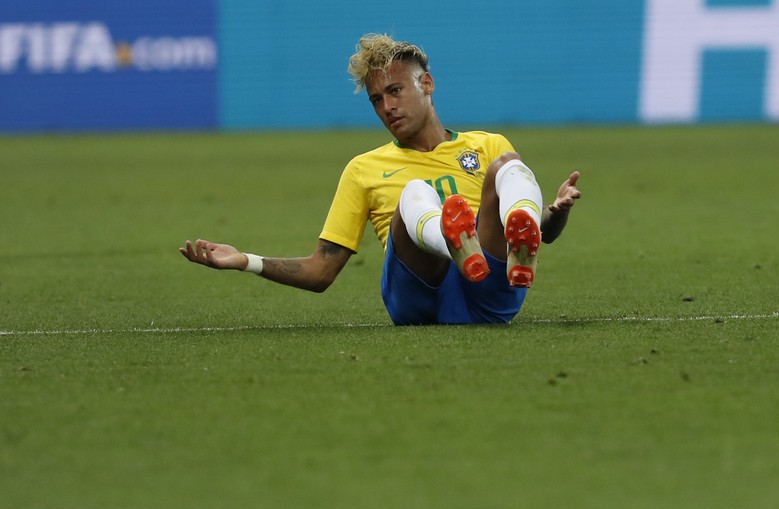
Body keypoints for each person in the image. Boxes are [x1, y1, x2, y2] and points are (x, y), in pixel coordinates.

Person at [180, 33, 581, 325]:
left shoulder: (486, 145)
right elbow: (321, 271)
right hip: (418, 297)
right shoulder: (363, 169)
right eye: (376, 99)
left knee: (507, 166)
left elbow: (544, 233)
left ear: (426, 84)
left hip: (488, 287)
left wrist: (556, 215)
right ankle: (454, 242)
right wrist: (246, 261)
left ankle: (477, 244)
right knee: (415, 193)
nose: (387, 107)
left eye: (394, 90)